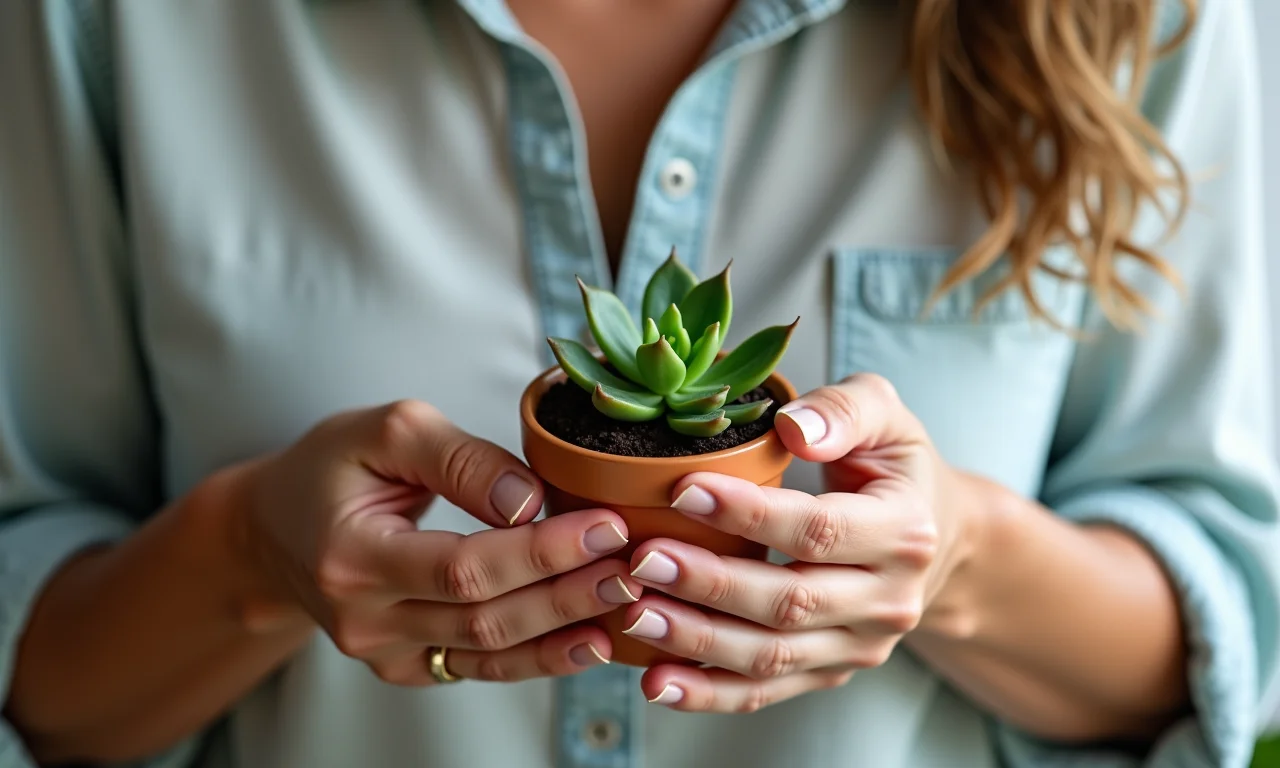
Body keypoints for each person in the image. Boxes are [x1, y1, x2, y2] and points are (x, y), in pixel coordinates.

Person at [0, 0, 1277, 766]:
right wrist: (244, 560)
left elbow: (1217, 613)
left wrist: (964, 565)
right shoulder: (121, 25)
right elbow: (41, 668)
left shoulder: (1139, 20)